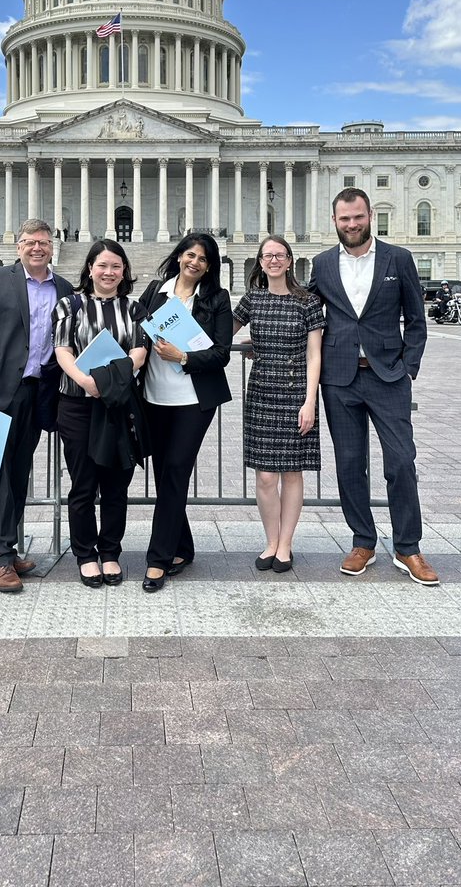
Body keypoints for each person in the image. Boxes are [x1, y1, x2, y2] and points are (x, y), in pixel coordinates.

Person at [309, 188, 438, 585]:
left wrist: (409, 368)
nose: (352, 224)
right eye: (345, 218)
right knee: (350, 465)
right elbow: (307, 314)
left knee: (401, 462)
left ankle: (408, 547)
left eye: (358, 217)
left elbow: (416, 318)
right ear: (334, 221)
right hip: (340, 378)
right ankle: (362, 541)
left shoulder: (398, 258)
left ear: (370, 216)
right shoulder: (322, 263)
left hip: (388, 376)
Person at [0, 220, 73, 593]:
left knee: (18, 473)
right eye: (30, 242)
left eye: (43, 242)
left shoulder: (63, 288)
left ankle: (5, 550)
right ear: (18, 246)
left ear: (52, 247)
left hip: (35, 393)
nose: (37, 248)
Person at [138, 233, 232, 592]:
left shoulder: (217, 299)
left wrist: (184, 357)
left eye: (203, 259)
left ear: (210, 267)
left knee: (176, 470)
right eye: (190, 255)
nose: (195, 262)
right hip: (154, 397)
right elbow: (138, 335)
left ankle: (157, 559)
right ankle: (183, 546)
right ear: (179, 257)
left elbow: (222, 353)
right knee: (166, 476)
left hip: (193, 400)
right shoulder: (154, 292)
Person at [52, 240, 148, 587]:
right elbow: (62, 349)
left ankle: (110, 551)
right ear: (89, 268)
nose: (109, 273)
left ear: (124, 272)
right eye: (103, 266)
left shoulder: (133, 308)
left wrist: (111, 380)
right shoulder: (70, 305)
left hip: (118, 405)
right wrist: (86, 380)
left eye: (116, 267)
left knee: (116, 485)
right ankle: (85, 554)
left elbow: (140, 350)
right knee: (83, 483)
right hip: (78, 403)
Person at [232, 237, 324, 573]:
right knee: (266, 476)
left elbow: (315, 354)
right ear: (260, 261)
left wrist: (310, 401)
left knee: (292, 472)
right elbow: (221, 330)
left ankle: (286, 544)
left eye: (279, 255)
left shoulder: (308, 302)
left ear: (289, 261)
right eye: (267, 255)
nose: (273, 260)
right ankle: (271, 540)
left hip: (296, 390)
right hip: (261, 391)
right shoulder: (252, 299)